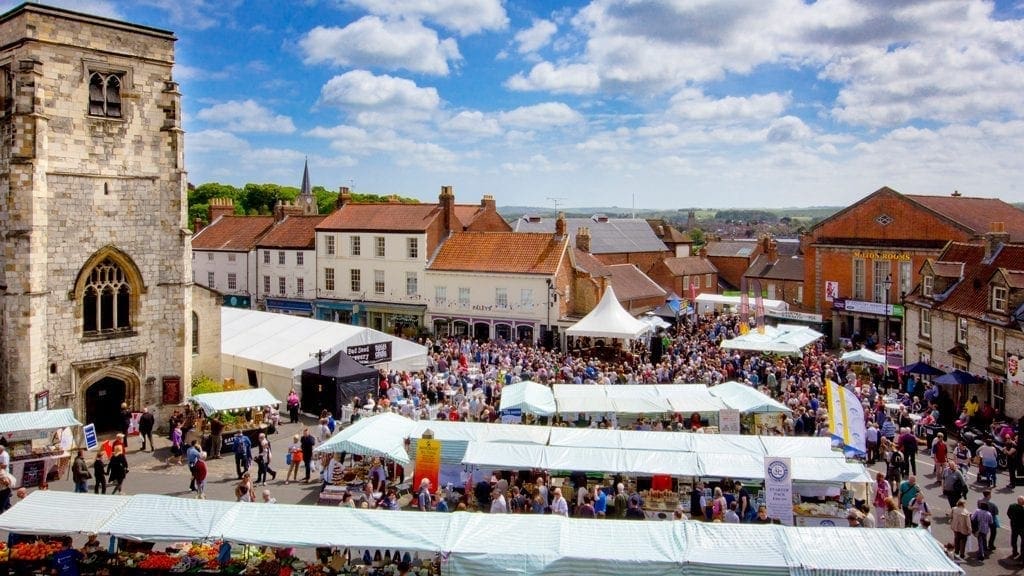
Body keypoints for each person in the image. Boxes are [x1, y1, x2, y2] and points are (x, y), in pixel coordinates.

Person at [978, 488, 1000, 553]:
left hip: (982, 518)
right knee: (993, 532)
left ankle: (983, 546)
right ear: (988, 495)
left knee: (983, 533)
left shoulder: (979, 501)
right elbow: (996, 512)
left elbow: (979, 508)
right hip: (991, 519)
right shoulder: (992, 504)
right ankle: (991, 544)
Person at [1008, 495, 1024, 560]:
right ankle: (1022, 554)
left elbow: (1008, 513)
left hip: (1014, 526)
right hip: (1022, 528)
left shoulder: (1012, 506)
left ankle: (1014, 552)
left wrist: (1012, 519)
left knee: (1014, 539)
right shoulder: (1023, 509)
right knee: (1023, 541)